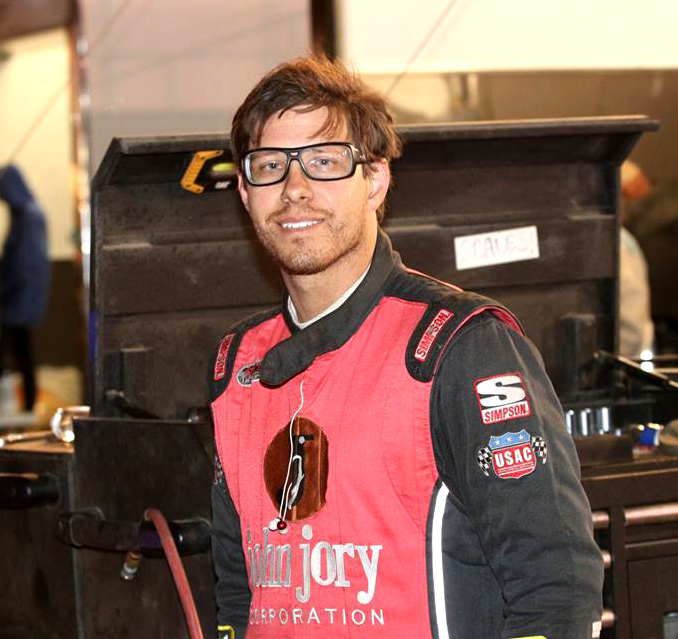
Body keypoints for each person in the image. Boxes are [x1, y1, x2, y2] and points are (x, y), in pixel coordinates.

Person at [209, 56, 603, 639]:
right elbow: (236, 591)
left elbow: (557, 587)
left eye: (324, 161)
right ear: (245, 191)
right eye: (270, 165)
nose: (294, 189)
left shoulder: (463, 347)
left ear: (374, 180)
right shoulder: (237, 365)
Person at [0, 165, 50, 412]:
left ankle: (28, 407)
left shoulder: (30, 216)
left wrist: (6, 290)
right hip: (19, 298)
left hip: (19, 299)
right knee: (21, 353)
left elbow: (24, 265)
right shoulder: (24, 215)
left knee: (21, 354)